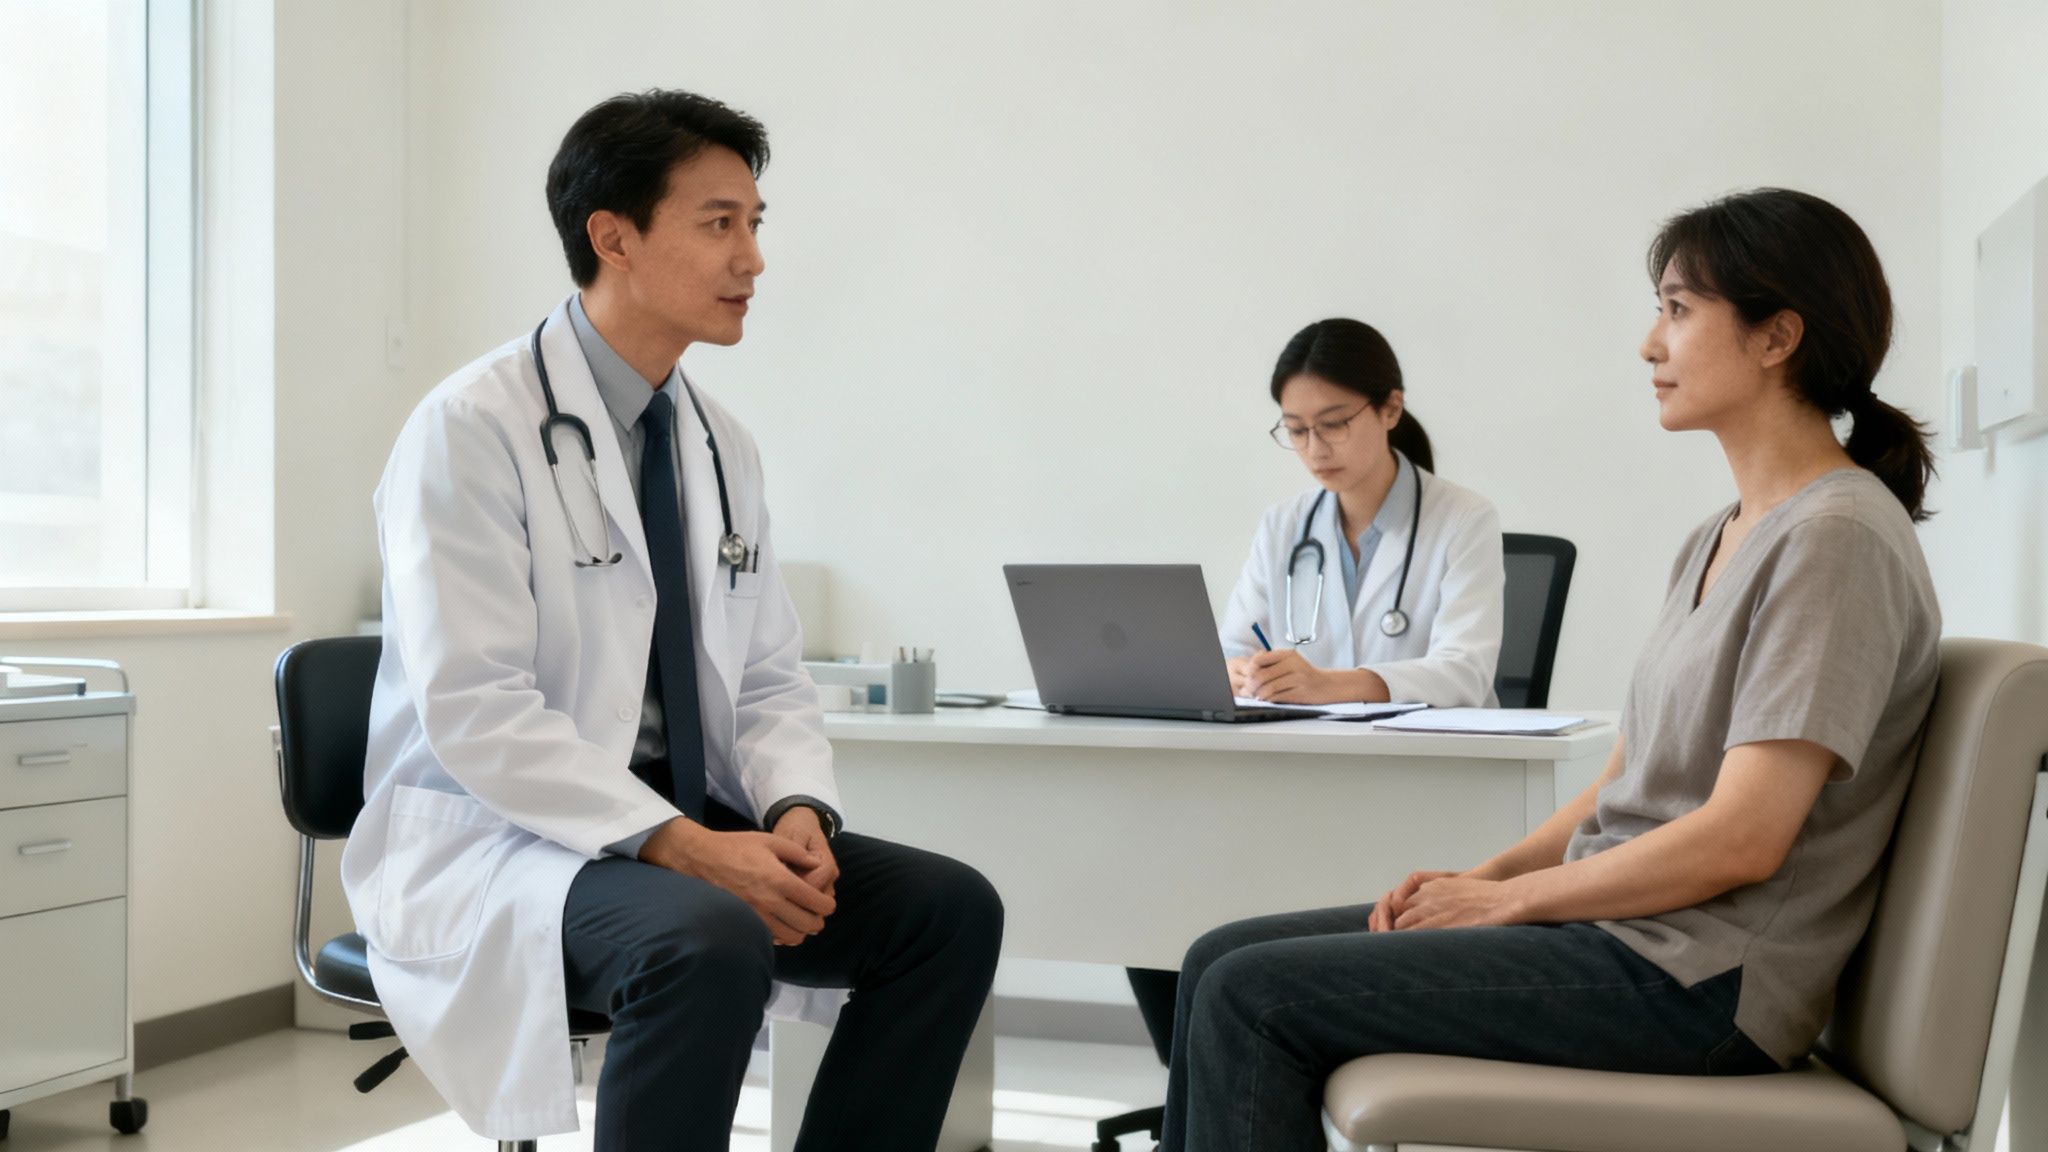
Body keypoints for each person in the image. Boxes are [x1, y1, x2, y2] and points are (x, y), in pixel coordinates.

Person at [1160, 188, 1942, 1151]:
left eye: (1678, 310)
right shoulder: (1721, 535)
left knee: (1252, 995)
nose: (1650, 343)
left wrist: (1506, 902)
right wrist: (1479, 878)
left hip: (1701, 981)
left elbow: (1745, 837)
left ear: (1777, 336)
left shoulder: (1836, 537)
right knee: (1215, 957)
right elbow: (1627, 780)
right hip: (1628, 933)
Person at [340, 89, 1002, 1152]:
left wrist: (795, 813)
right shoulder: (469, 430)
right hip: (509, 837)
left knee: (947, 912)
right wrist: (687, 848)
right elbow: (475, 709)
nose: (753, 258)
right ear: (614, 237)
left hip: (676, 817)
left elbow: (772, 675)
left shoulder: (717, 442)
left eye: (754, 223)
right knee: (703, 940)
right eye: (717, 223)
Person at [1218, 318, 1505, 707]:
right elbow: (1236, 644)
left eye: (1333, 424)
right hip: (1310, 756)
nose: (1315, 450)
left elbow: (1465, 672)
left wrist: (1329, 686)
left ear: (1390, 409)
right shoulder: (1283, 525)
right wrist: (1238, 671)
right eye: (1297, 431)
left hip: (1431, 759)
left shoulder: (1464, 519)